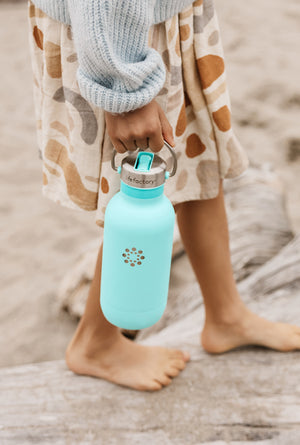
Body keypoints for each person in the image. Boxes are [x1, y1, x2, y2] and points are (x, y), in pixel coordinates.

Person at [27, 0, 300, 391]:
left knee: (198, 159)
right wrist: (124, 89)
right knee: (138, 193)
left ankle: (225, 313)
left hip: (160, 24)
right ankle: (96, 341)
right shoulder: (118, 61)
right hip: (117, 45)